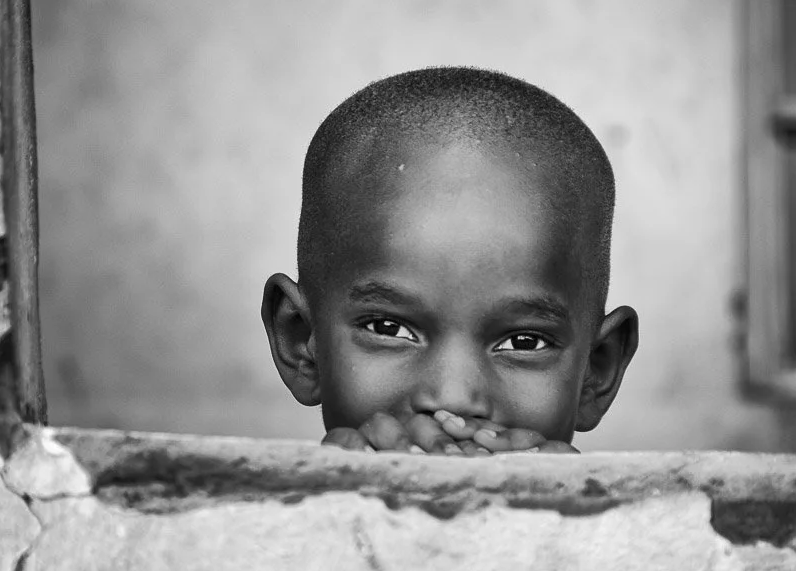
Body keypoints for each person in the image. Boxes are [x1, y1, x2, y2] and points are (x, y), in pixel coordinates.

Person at [261, 67, 638, 455]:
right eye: (388, 328)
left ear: (597, 370)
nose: (454, 399)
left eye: (524, 341)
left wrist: (577, 511)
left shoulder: (651, 516)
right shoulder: (236, 514)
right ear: (300, 344)